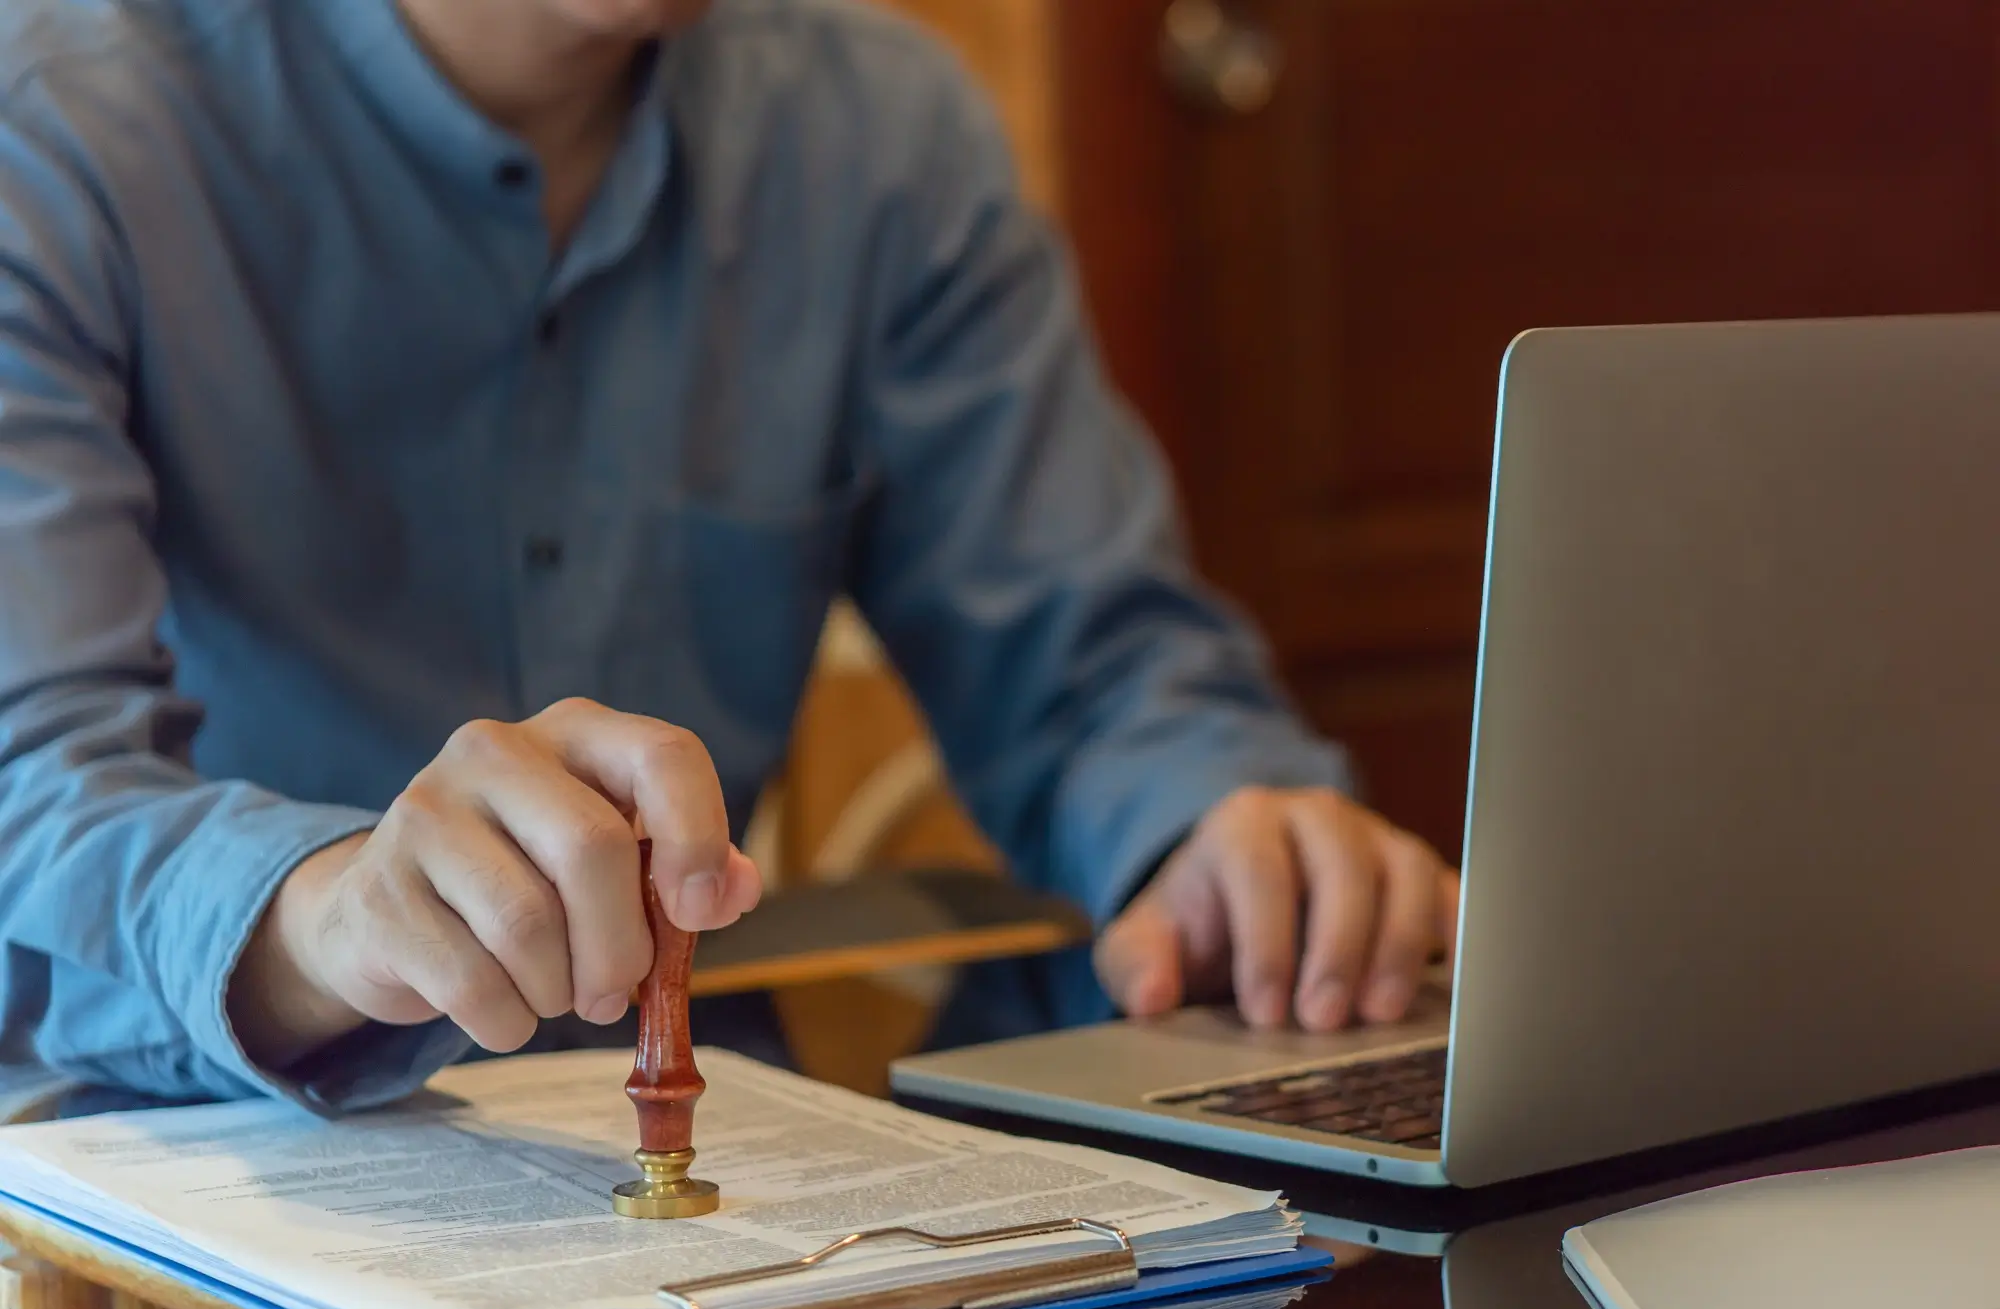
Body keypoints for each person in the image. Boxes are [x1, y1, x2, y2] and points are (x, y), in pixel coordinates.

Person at [0, 0, 1459, 1114]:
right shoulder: (55, 120)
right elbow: (27, 785)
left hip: (732, 1160)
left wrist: (1217, 833)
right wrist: (328, 911)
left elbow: (1090, 663)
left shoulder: (879, 130)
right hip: (179, 1159)